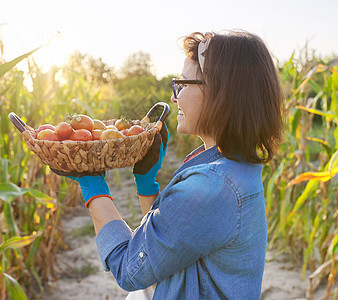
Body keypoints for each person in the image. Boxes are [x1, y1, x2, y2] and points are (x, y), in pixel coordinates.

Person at [53, 30, 284, 299]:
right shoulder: (231, 167)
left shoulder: (211, 188)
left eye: (183, 84)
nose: (175, 98)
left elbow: (130, 269)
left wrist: (91, 184)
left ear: (222, 93)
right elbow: (168, 244)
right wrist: (146, 183)